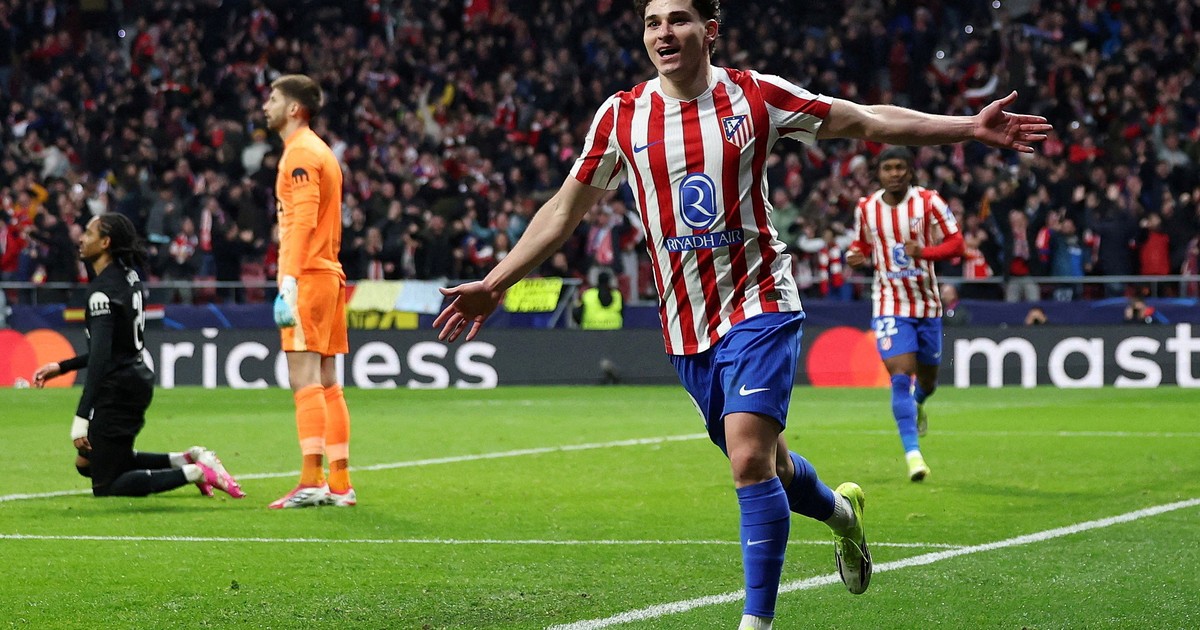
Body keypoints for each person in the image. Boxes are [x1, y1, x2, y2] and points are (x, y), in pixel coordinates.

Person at [433, 2, 1049, 628]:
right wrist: (496, 282)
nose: (663, 33)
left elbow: (865, 119)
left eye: (678, 19)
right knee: (771, 465)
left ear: (710, 31)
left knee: (749, 460)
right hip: (686, 324)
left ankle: (756, 622)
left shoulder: (756, 96)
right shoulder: (621, 116)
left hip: (760, 301)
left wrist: (968, 127)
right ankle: (842, 515)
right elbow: (565, 209)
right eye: (652, 22)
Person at [31, 213, 245, 499]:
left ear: (105, 243)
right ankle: (186, 459)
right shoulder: (128, 276)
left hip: (119, 387)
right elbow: (113, 348)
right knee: (87, 463)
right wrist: (62, 366)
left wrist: (82, 416)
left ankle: (195, 472)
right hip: (134, 377)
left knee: (107, 485)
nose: (81, 239)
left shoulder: (102, 292)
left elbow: (101, 358)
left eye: (89, 233)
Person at [845, 146, 965, 482]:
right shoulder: (866, 208)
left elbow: (957, 244)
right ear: (878, 173)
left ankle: (919, 403)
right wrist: (855, 255)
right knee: (900, 375)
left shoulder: (928, 201)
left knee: (928, 382)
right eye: (888, 168)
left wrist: (924, 251)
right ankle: (914, 456)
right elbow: (862, 245)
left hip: (927, 305)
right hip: (889, 303)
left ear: (910, 171)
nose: (894, 173)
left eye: (900, 167)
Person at [264, 73, 356, 509]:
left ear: (293, 108)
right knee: (328, 382)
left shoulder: (300, 152)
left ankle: (311, 480)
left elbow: (301, 220)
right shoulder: (322, 151)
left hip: (309, 276)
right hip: (329, 274)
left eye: (273, 98)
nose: (266, 105)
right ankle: (339, 483)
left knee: (303, 379)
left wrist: (288, 281)